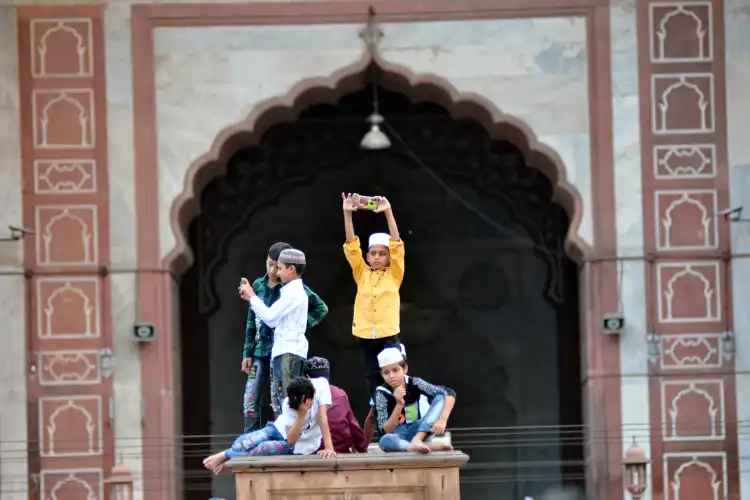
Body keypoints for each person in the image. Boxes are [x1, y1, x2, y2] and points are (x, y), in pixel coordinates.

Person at [241, 242, 329, 433]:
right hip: (262, 350)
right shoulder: (259, 284)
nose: (274, 271)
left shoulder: (293, 288)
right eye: (270, 264)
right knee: (250, 399)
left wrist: (299, 326)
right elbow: (252, 319)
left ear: (289, 268)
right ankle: (251, 440)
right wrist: (247, 352)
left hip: (283, 349)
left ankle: (285, 437)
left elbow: (320, 308)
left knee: (280, 399)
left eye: (278, 267)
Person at [341, 193, 404, 402]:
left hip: (388, 334)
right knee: (374, 378)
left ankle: (399, 415)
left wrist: (388, 211)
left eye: (382, 253)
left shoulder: (394, 274)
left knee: (395, 376)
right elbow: (351, 247)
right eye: (373, 253)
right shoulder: (362, 274)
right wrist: (347, 213)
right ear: (367, 256)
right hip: (366, 334)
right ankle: (381, 418)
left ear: (388, 257)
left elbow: (397, 246)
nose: (377, 257)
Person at [202, 376, 336, 474]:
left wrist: (329, 448)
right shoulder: (288, 404)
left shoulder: (321, 386)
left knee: (263, 448)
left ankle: (230, 461)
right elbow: (289, 433)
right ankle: (226, 455)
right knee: (248, 441)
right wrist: (300, 415)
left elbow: (293, 439)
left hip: (298, 445)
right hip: (279, 429)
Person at [374, 347, 456, 453]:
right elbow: (386, 431)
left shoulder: (415, 383)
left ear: (405, 369)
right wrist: (399, 404)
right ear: (382, 375)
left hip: (418, 429)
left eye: (395, 370)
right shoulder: (381, 393)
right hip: (396, 436)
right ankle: (415, 447)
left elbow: (449, 393)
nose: (391, 376)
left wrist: (442, 420)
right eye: (386, 373)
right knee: (384, 441)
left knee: (440, 396)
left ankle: (417, 440)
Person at [303, 356, 368, 454]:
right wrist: (362, 448)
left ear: (307, 377)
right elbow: (353, 425)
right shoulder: (340, 393)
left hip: (311, 450)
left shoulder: (302, 395)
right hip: (340, 448)